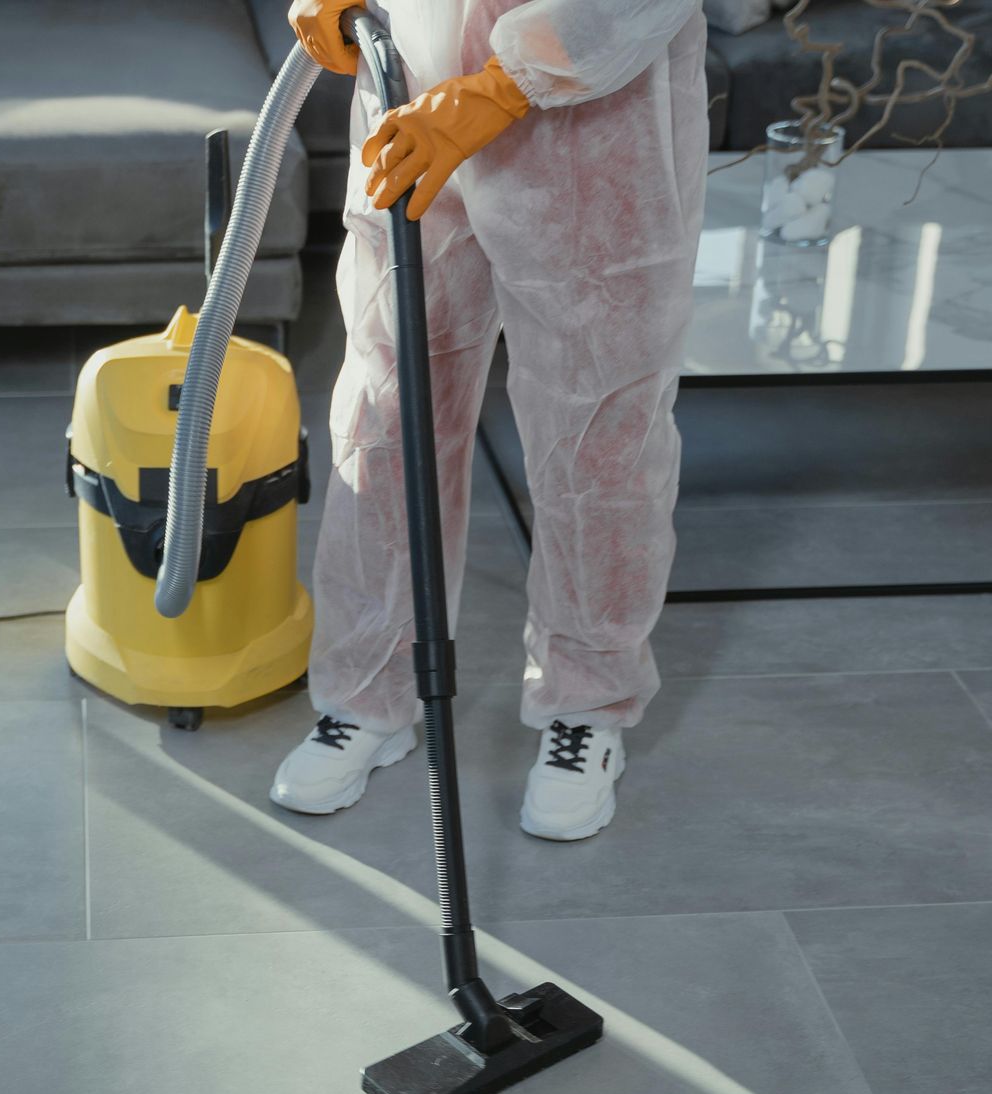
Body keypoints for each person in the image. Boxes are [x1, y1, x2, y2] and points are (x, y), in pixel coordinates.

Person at [270, 0, 708, 841]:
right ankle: (371, 695)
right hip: (410, 82)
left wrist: (507, 85)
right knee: (388, 409)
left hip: (594, 112)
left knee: (598, 436)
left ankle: (588, 707)